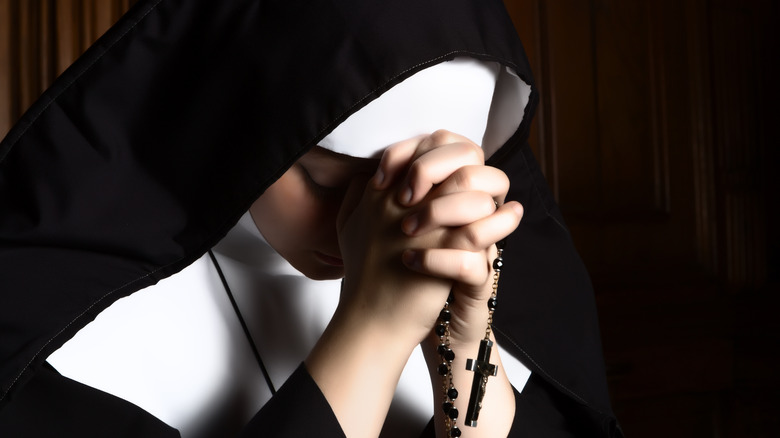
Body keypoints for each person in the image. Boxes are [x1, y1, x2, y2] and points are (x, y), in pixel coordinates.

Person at [0, 1, 622, 437]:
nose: (367, 228)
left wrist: (466, 353)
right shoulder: (53, 339)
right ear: (236, 115)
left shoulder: (481, 269)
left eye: (425, 185)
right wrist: (372, 331)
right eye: (327, 182)